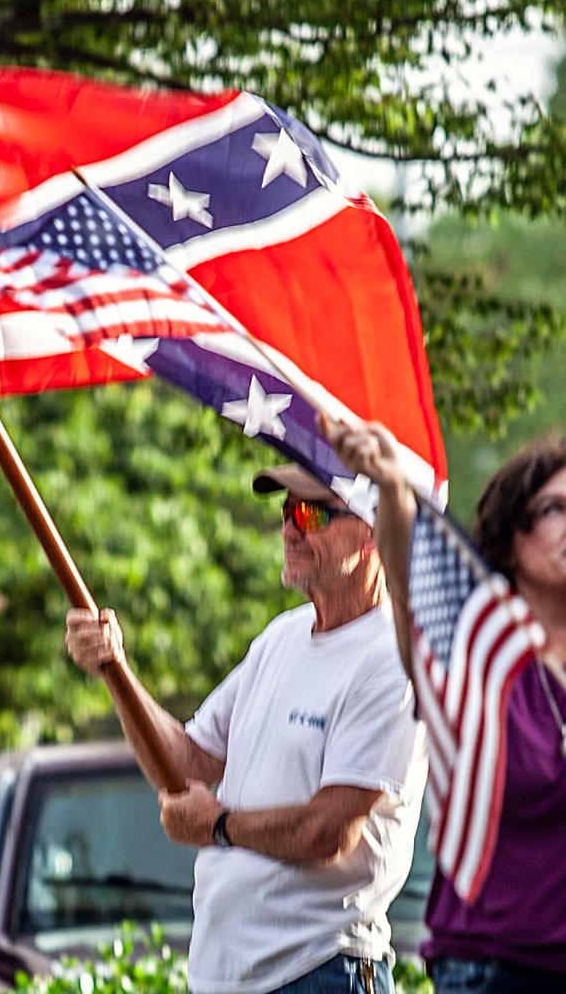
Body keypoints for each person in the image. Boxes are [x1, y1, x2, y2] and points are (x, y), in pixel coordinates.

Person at [66, 463, 427, 994]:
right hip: (226, 976)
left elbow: (329, 831)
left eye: (310, 512)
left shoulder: (394, 658)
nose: (288, 529)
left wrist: (218, 826)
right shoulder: (280, 638)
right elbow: (187, 763)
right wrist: (114, 668)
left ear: (372, 531)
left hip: (320, 969)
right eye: (285, 512)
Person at [325, 421, 566, 993]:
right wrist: (391, 489)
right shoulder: (478, 657)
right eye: (555, 509)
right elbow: (409, 593)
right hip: (491, 971)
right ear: (512, 536)